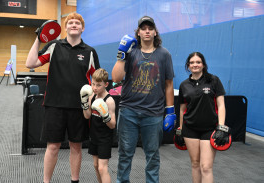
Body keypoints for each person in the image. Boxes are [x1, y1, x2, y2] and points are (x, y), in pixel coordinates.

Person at [25, 12, 100, 183]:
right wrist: (39, 38)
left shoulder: (90, 52)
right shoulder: (54, 46)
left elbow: (97, 80)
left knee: (76, 147)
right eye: (70, 22)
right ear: (65, 27)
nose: (74, 25)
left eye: (77, 23)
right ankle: (46, 181)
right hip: (54, 105)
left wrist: (96, 101)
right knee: (52, 146)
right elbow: (30, 63)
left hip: (79, 108)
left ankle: (75, 180)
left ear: (83, 28)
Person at [112, 16, 175, 183]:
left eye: (150, 28)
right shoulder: (131, 52)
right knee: (125, 153)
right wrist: (121, 54)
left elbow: (169, 84)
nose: (147, 31)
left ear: (155, 32)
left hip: (153, 113)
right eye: (143, 28)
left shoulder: (164, 54)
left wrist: (170, 111)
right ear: (138, 32)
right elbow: (116, 78)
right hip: (128, 111)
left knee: (153, 155)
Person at [178, 52, 227, 183]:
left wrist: (221, 128)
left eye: (198, 62)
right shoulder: (184, 85)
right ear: (188, 66)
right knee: (195, 164)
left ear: (203, 65)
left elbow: (221, 105)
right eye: (192, 62)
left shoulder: (214, 80)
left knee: (206, 167)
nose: (195, 65)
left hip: (209, 129)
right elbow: (183, 109)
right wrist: (180, 129)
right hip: (190, 129)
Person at [81, 68, 116, 183]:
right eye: (93, 84)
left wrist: (105, 115)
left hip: (104, 138)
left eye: (99, 85)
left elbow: (112, 125)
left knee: (102, 167)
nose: (95, 88)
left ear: (106, 84)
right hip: (94, 136)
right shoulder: (92, 96)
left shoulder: (109, 100)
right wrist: (84, 103)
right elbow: (87, 116)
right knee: (96, 165)